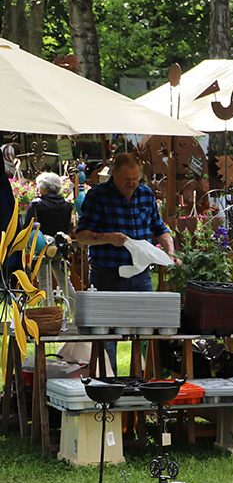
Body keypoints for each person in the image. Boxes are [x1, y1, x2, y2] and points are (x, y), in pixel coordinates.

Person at [73, 153, 179, 375]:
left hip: (140, 275)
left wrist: (170, 251)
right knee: (107, 335)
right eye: (126, 179)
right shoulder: (98, 196)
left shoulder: (146, 194)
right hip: (106, 274)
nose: (131, 184)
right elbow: (81, 235)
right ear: (114, 174)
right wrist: (108, 238)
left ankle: (145, 380)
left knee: (147, 330)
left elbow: (159, 228)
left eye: (136, 179)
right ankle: (108, 382)